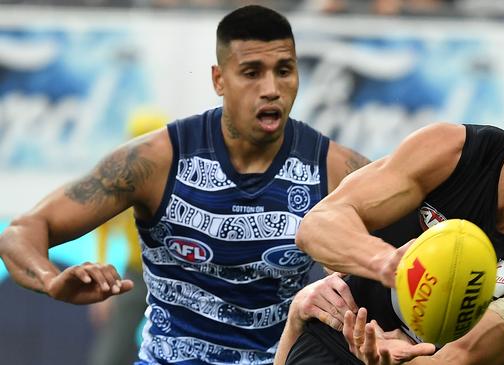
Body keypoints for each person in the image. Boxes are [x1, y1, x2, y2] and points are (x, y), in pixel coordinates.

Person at [0, 5, 368, 365]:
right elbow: (22, 231)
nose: (271, 89)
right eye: (252, 72)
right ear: (219, 79)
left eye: (284, 71)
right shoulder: (156, 161)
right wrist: (50, 281)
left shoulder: (336, 170)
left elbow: (415, 247)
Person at [284, 56, 504, 365]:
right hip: (343, 333)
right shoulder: (451, 150)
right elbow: (317, 226)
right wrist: (390, 265)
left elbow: (460, 358)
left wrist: (400, 358)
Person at [88, 108, 168, 365]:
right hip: (136, 274)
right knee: (111, 353)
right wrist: (103, 288)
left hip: (173, 276)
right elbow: (102, 230)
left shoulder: (178, 179)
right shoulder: (121, 185)